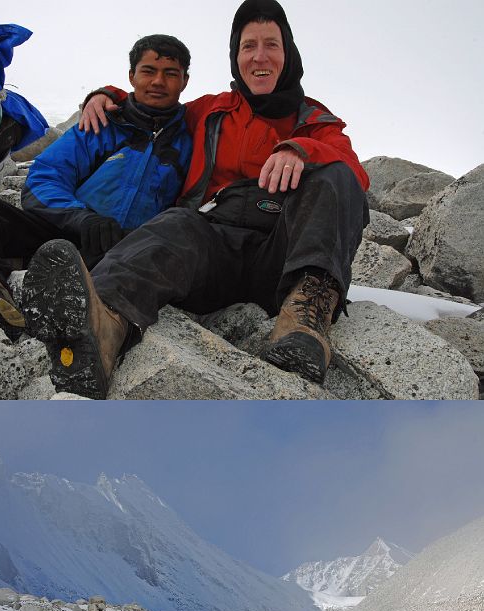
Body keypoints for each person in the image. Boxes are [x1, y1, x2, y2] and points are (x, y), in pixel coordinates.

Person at [37, 0, 370, 397]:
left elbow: (353, 172)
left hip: (281, 258)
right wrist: (104, 95)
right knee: (175, 222)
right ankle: (103, 328)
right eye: (248, 46)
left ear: (289, 54)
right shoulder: (212, 110)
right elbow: (155, 102)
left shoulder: (315, 121)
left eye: (271, 45)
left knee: (337, 174)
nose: (259, 57)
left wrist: (300, 148)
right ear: (235, 55)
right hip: (212, 249)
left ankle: (306, 320)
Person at [0, 34, 194, 338]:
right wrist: (82, 218)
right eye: (148, 71)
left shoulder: (193, 138)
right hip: (69, 227)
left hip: (123, 252)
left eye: (170, 74)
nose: (158, 82)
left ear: (185, 81)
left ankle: (17, 286)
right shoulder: (101, 124)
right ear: (131, 76)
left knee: (89, 270)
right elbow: (45, 176)